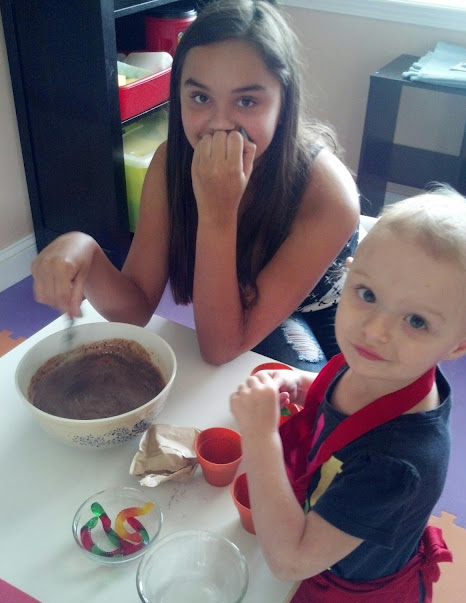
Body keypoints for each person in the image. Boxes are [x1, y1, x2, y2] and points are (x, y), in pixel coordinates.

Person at [31, 0, 359, 370]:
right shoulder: (170, 163)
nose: (220, 124)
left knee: (299, 394)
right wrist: (87, 252)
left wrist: (217, 210)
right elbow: (135, 308)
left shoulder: (328, 196)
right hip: (238, 306)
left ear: (283, 104)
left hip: (326, 317)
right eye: (201, 97)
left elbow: (218, 349)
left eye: (247, 101)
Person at [230, 185, 466, 603]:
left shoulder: (397, 464)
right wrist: (303, 383)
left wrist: (260, 436)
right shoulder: (385, 366)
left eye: (417, 321)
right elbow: (345, 393)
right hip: (330, 539)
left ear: (459, 346)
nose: (375, 330)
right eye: (366, 294)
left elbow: (290, 561)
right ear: (348, 275)